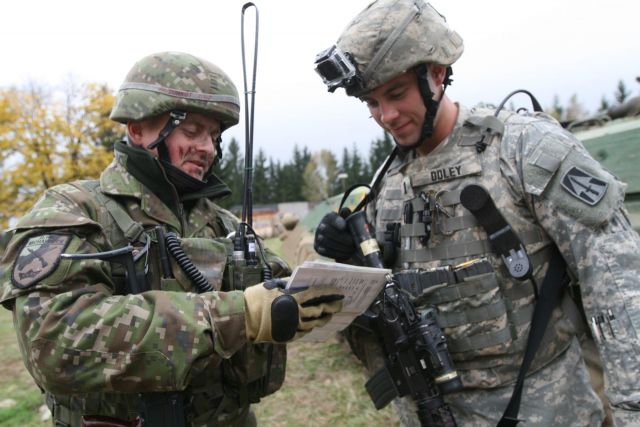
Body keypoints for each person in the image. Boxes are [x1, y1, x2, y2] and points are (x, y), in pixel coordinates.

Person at [313, 1, 640, 426]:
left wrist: (633, 407)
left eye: (396, 94)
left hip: (542, 408)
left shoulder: (522, 150)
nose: (386, 116)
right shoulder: (387, 182)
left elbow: (617, 281)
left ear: (437, 73)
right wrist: (349, 261)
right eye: (371, 103)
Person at [0, 51, 343, 427]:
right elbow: (52, 343)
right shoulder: (74, 210)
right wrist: (239, 315)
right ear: (137, 129)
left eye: (214, 136)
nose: (208, 147)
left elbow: (281, 291)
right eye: (192, 131)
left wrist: (319, 282)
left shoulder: (224, 223)